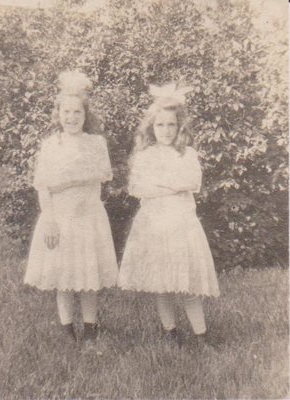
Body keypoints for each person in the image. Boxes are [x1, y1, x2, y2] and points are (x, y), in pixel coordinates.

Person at [118, 82, 220, 346]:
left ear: (180, 127)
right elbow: (137, 187)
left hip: (181, 223)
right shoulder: (145, 156)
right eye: (160, 125)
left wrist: (162, 185)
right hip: (153, 224)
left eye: (171, 125)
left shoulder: (187, 154)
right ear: (152, 128)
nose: (165, 130)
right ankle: (170, 332)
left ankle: (201, 335)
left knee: (187, 284)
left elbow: (191, 183)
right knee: (161, 283)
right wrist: (170, 185)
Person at [24, 70, 118, 342]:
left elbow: (101, 175)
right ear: (58, 114)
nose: (72, 117)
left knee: (88, 275)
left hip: (88, 214)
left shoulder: (95, 143)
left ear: (86, 115)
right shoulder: (51, 145)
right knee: (62, 275)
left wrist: (67, 182)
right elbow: (43, 185)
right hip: (59, 216)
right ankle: (67, 330)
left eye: (77, 112)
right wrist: (50, 218)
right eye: (66, 112)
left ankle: (90, 329)